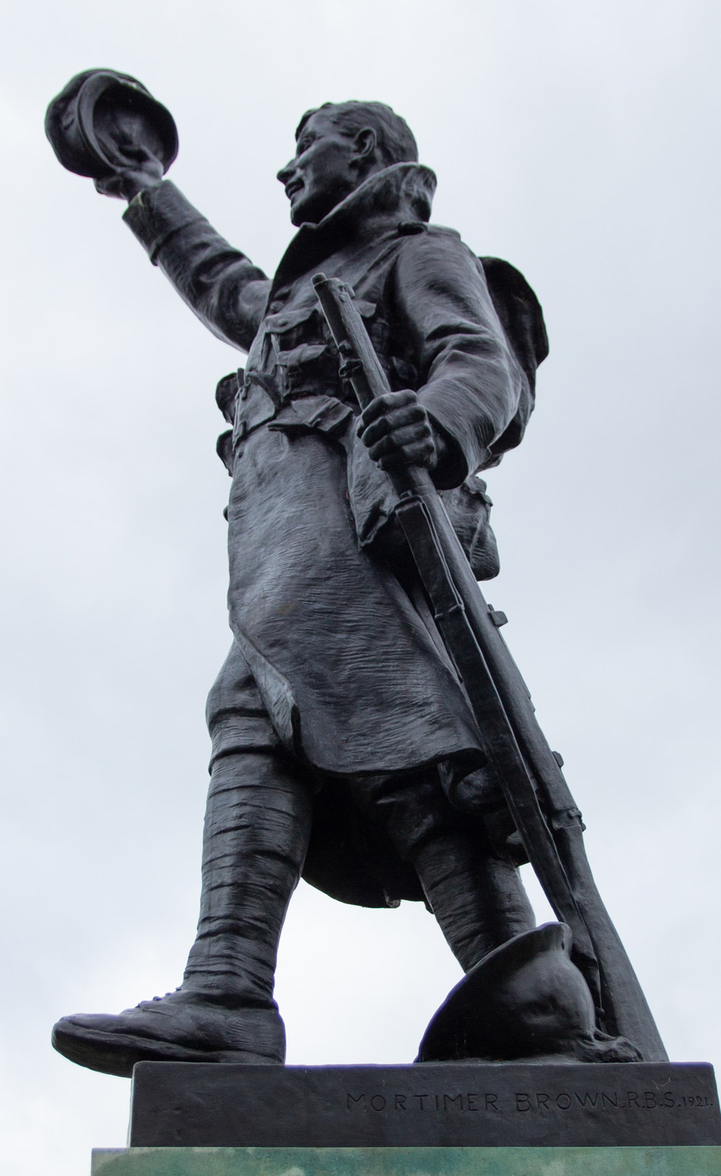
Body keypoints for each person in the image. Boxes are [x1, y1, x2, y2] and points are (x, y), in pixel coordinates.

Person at [51, 99, 636, 1076]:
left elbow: (475, 355)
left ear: (361, 151)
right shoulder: (304, 291)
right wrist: (144, 189)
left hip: (358, 536)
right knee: (294, 714)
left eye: (301, 150)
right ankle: (246, 992)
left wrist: (439, 421)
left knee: (403, 747)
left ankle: (529, 1015)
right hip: (296, 546)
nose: (286, 172)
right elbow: (226, 285)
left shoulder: (416, 251)